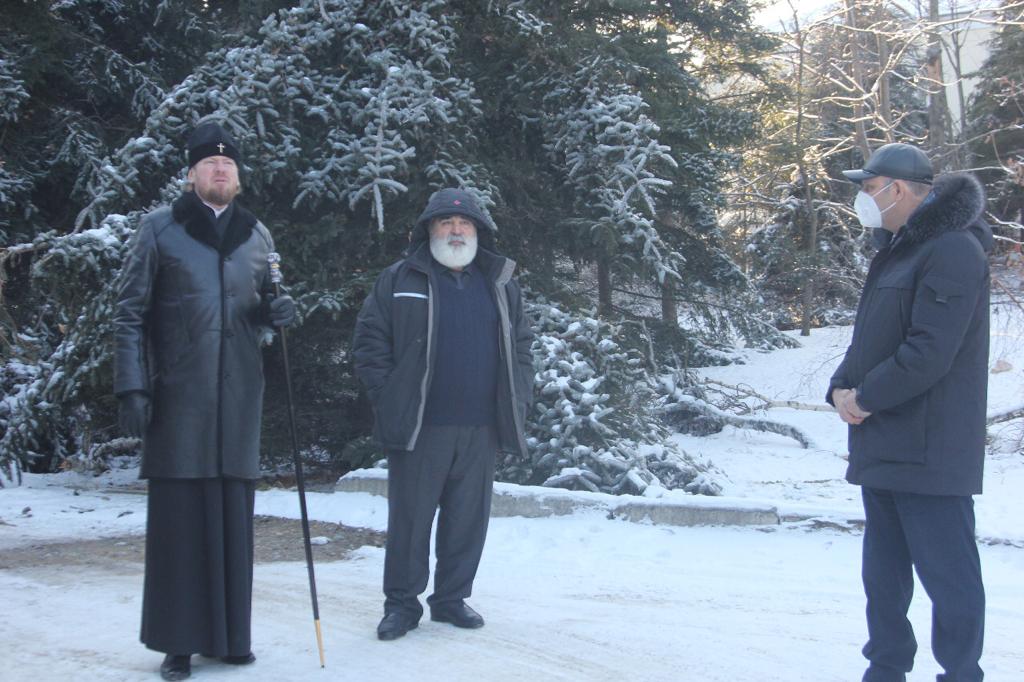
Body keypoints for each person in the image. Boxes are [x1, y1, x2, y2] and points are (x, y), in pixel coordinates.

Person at [114, 121, 295, 681]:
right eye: (210, 163)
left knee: (232, 519)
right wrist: (132, 385)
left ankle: (231, 638)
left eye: (229, 164)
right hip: (179, 397)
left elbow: (261, 303)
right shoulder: (160, 229)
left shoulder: (256, 236)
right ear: (192, 173)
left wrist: (277, 312)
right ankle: (178, 644)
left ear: (237, 177)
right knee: (181, 524)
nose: (220, 170)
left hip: (239, 396)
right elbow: (128, 313)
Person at [828, 143, 991, 682]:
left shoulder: (953, 249)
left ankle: (962, 674)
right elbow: (870, 340)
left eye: (868, 187)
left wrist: (865, 397)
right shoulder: (897, 251)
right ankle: (886, 670)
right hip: (882, 441)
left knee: (949, 577)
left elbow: (929, 351)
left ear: (897, 189)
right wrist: (840, 387)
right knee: (883, 576)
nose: (862, 197)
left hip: (930, 448)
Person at [352, 188, 534, 641]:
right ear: (428, 230)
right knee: (410, 522)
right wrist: (390, 396)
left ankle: (451, 599)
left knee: (467, 522)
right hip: (420, 426)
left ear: (478, 231)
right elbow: (370, 342)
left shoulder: (499, 283)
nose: (456, 230)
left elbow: (522, 346)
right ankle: (401, 606)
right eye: (445, 223)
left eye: (464, 223)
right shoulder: (400, 279)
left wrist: (520, 397)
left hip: (481, 426)